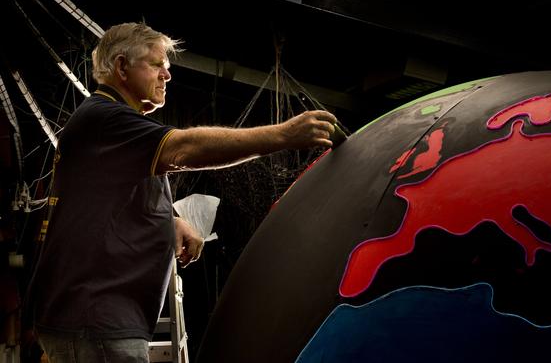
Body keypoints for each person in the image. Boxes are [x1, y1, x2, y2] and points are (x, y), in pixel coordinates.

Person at [27, 22, 337, 362]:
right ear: (120, 67)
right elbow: (183, 150)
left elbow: (112, 196)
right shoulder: (106, 118)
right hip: (94, 320)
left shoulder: (117, 129)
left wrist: (170, 220)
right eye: (156, 64)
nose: (167, 75)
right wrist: (283, 136)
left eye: (168, 68)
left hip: (97, 319)